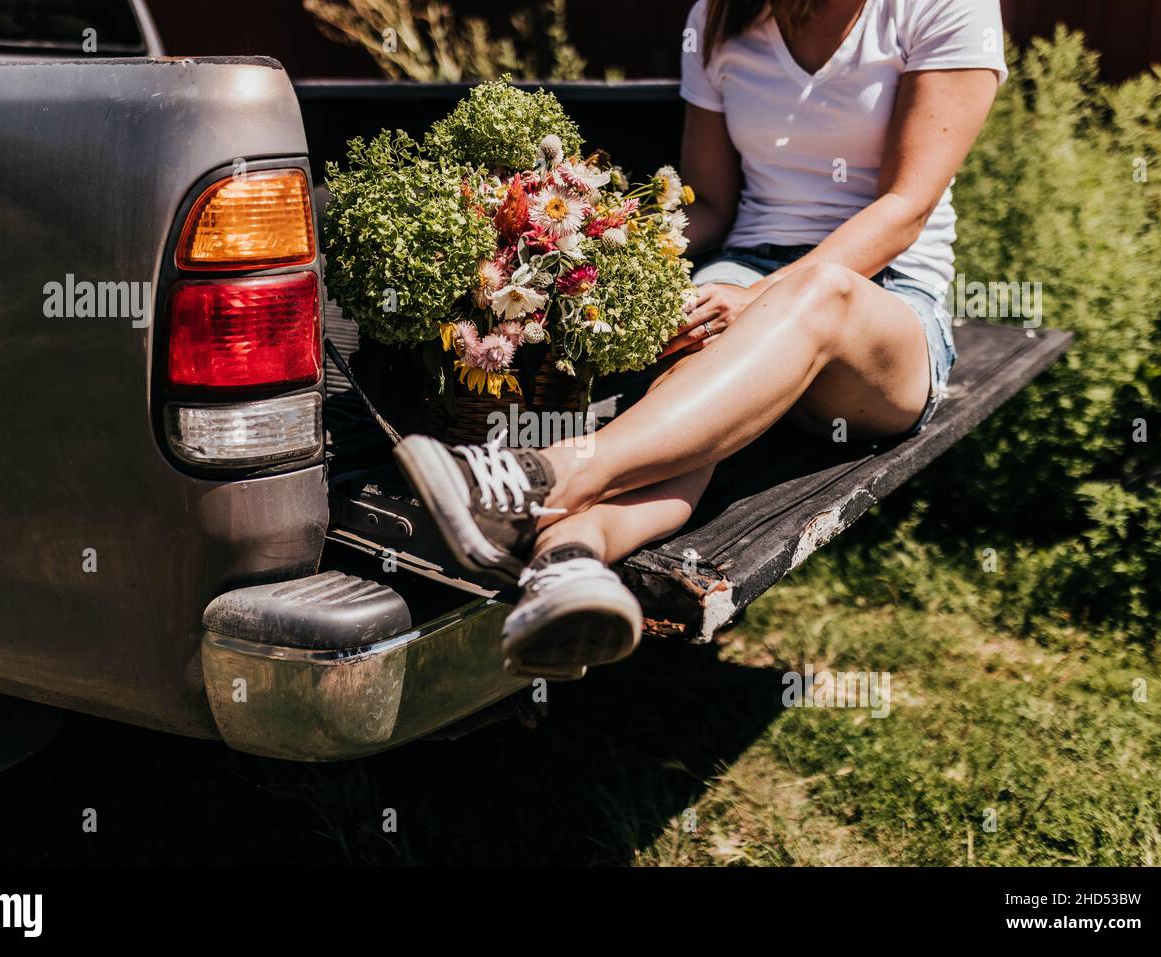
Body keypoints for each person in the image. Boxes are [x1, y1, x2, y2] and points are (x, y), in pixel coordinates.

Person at [395, 0, 1007, 679]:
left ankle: (543, 473)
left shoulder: (944, 7)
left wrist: (756, 299)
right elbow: (711, 202)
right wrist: (596, 253)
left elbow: (904, 208)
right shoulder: (718, 16)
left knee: (819, 293)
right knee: (688, 401)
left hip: (884, 313)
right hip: (745, 270)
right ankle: (567, 563)